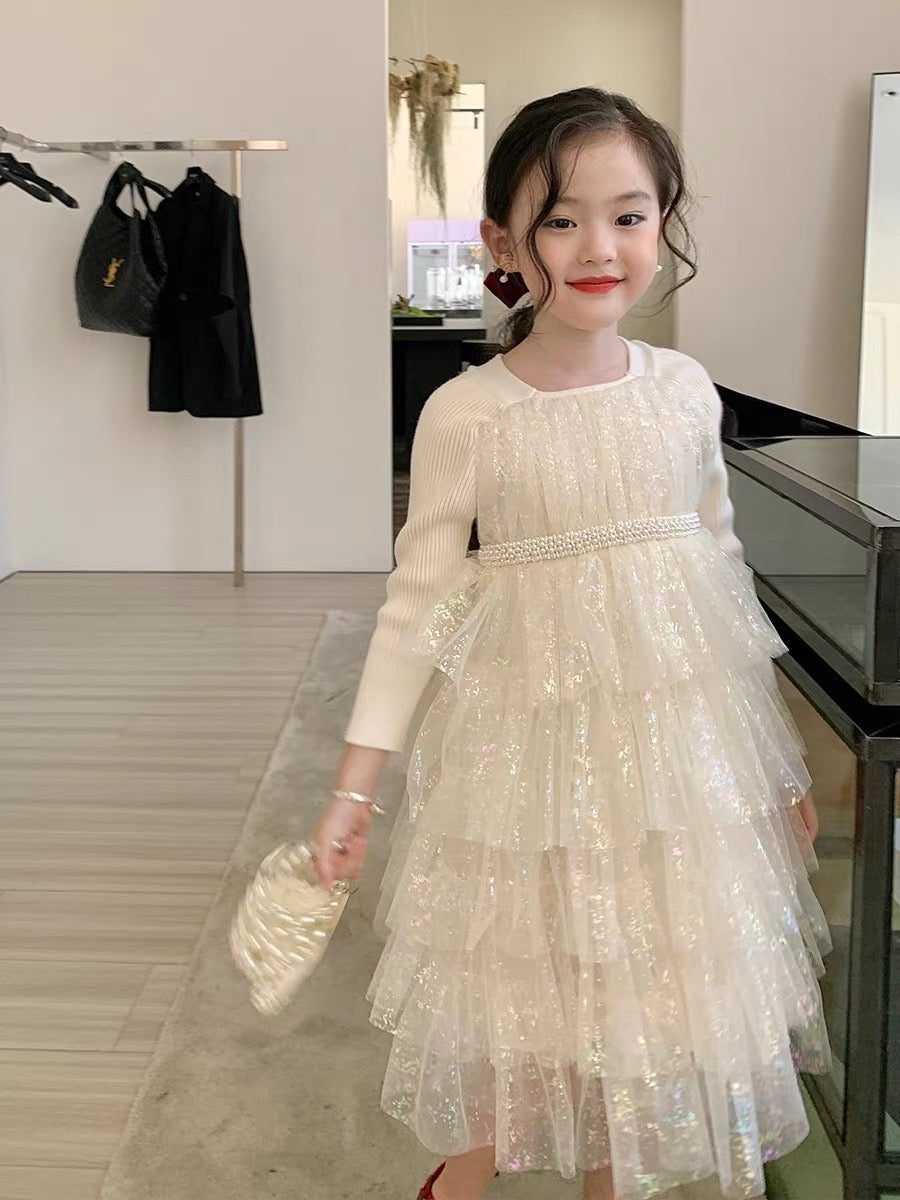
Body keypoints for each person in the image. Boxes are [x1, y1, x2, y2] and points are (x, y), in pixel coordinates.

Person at [311, 86, 831, 1200]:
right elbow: (417, 602)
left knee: (649, 977)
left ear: (663, 226)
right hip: (526, 747)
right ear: (503, 242)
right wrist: (355, 787)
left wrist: (776, 760)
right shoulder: (467, 411)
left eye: (629, 216)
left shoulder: (686, 391)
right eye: (561, 220)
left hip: (673, 751)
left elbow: (719, 572)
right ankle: (464, 1171)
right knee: (521, 964)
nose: (600, 247)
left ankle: (612, 1174)